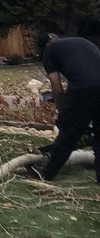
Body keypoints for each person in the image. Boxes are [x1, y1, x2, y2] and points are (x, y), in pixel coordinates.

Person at [33, 31, 100, 183]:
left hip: (83, 87)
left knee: (69, 135)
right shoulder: (82, 40)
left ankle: (47, 174)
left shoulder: (49, 51)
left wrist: (62, 111)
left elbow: (56, 87)